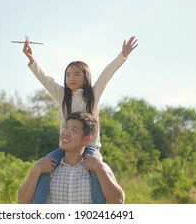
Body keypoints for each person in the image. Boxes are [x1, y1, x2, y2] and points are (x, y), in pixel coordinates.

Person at [22, 36, 138, 203]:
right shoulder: (62, 95)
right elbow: (45, 79)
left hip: (90, 147)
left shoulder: (93, 95)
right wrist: (32, 59)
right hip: (67, 146)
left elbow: (107, 74)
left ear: (86, 77)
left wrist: (123, 55)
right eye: (68, 75)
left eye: (77, 74)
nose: (71, 78)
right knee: (43, 166)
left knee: (95, 173)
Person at [18, 112, 125, 204]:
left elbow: (118, 202)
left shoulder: (98, 168)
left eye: (74, 130)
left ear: (86, 140)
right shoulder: (46, 167)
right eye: (66, 127)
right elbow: (22, 202)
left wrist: (99, 169)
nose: (66, 133)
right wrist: (35, 170)